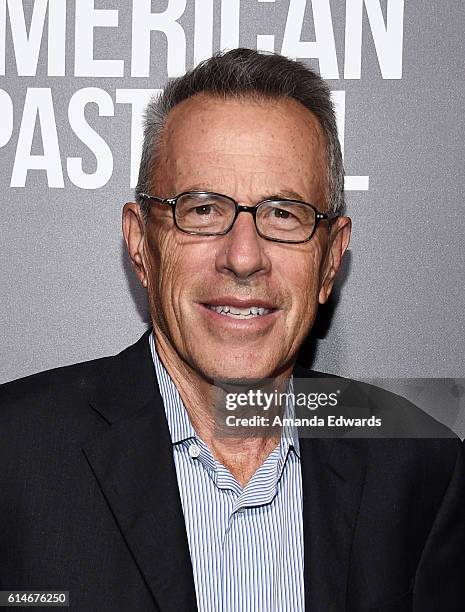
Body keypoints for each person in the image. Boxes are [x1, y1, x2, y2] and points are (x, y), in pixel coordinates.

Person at [0, 49, 464, 612]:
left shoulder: (423, 468)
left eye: (284, 214)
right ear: (140, 244)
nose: (243, 257)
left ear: (332, 258)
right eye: (201, 210)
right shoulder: (14, 455)